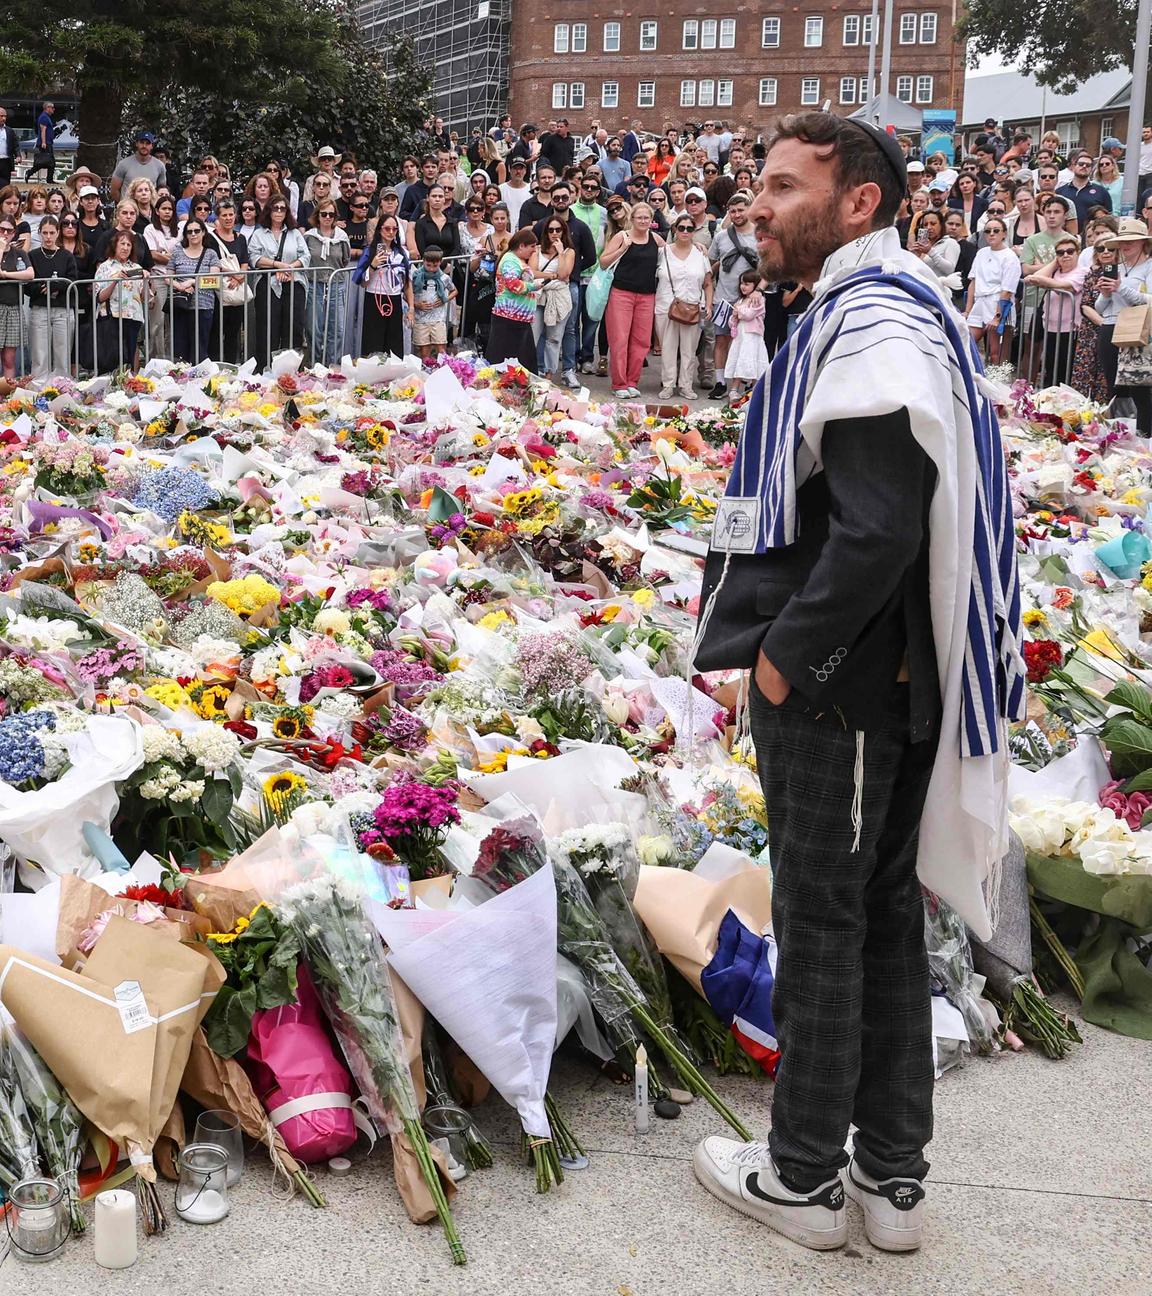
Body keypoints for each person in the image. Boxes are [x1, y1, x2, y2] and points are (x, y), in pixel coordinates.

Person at [693, 110, 1023, 1258]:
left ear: (859, 204)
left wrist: (788, 662)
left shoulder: (873, 322)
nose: (760, 205)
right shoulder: (878, 309)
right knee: (878, 919)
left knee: (826, 925)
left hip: (845, 692)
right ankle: (891, 1184)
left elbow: (878, 528)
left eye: (784, 186)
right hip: (884, 687)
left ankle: (798, 1180)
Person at [600, 200, 662, 398]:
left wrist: (698, 246)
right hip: (621, 294)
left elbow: (675, 251)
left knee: (642, 341)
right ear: (632, 218)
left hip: (647, 295)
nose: (643, 220)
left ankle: (632, 381)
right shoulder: (622, 236)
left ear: (651, 220)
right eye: (639, 217)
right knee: (619, 339)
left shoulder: (656, 239)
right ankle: (619, 384)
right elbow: (603, 262)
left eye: (647, 217)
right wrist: (622, 249)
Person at [1097, 218, 1152, 434]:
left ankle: (1144, 434)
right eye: (1122, 241)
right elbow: (1101, 307)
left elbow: (1148, 299)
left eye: (1131, 240)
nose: (1126, 245)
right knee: (1114, 385)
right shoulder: (1115, 268)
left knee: (1140, 386)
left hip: (1138, 330)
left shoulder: (1149, 266)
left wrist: (1121, 288)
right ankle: (1120, 434)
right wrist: (1105, 293)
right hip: (1111, 326)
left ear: (1142, 243)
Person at [654, 213, 712, 399]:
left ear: (694, 231)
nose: (685, 232)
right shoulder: (663, 252)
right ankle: (668, 384)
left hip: (694, 306)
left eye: (689, 228)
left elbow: (708, 283)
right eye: (681, 228)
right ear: (675, 230)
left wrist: (709, 305)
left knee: (689, 349)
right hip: (666, 306)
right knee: (668, 349)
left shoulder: (701, 253)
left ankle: (686, 385)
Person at [708, 191, 759, 399]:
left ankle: (742, 382)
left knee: (746, 342)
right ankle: (720, 382)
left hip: (748, 301)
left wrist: (759, 291)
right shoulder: (721, 237)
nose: (737, 214)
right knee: (721, 340)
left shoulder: (759, 235)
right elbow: (712, 262)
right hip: (724, 297)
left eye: (740, 210)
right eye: (733, 211)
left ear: (749, 210)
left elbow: (766, 268)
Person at [249, 195, 309, 369]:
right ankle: (266, 369)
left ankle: (292, 370)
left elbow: (305, 256)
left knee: (294, 327)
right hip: (267, 284)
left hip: (293, 283)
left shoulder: (295, 233)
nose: (279, 212)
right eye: (275, 208)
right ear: (269, 210)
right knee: (268, 328)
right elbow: (254, 257)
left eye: (283, 209)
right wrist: (278, 266)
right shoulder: (259, 234)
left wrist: (288, 268)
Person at [1025, 235, 1085, 385]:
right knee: (1050, 369)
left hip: (1070, 329)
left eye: (1070, 251)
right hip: (1051, 328)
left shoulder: (1082, 271)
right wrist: (1054, 263)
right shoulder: (1055, 272)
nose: (1065, 255)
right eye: (1060, 252)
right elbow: (1035, 277)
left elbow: (1065, 286)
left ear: (1078, 253)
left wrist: (1044, 282)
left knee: (1065, 371)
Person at [964, 218, 1020, 364]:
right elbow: (973, 282)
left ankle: (998, 384)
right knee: (966, 345)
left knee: (996, 354)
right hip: (979, 303)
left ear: (1004, 234)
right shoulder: (981, 253)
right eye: (988, 231)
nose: (991, 234)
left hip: (998, 304)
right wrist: (968, 310)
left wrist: (997, 317)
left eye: (996, 231)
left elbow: (1007, 290)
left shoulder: (1010, 257)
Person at [303, 201, 351, 365]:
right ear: (318, 215)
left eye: (331, 214)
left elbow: (345, 259)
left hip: (336, 284)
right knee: (314, 328)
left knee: (336, 329)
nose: (327, 217)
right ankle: (315, 364)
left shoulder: (341, 237)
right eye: (324, 214)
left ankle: (332, 365)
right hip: (314, 284)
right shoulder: (309, 236)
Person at [358, 215, 412, 358]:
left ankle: (392, 376)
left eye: (394, 229)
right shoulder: (370, 251)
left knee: (394, 343)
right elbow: (362, 282)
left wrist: (411, 307)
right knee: (373, 342)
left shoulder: (402, 253)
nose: (390, 232)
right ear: (380, 230)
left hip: (394, 299)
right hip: (374, 298)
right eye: (387, 228)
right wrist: (373, 265)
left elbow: (407, 283)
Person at [94, 230, 148, 371]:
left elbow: (145, 298)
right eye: (122, 243)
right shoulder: (104, 267)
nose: (125, 247)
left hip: (133, 317)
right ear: (115, 245)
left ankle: (132, 383)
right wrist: (115, 280)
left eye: (128, 245)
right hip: (112, 317)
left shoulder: (137, 268)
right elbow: (99, 297)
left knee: (131, 355)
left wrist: (147, 281)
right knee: (112, 357)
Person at [168, 218, 220, 364]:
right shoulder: (177, 252)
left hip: (203, 306)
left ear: (203, 232)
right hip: (180, 306)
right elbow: (167, 276)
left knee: (200, 349)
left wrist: (192, 282)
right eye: (189, 231)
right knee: (180, 349)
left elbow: (214, 279)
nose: (193, 234)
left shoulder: (211, 254)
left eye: (197, 230)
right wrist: (179, 286)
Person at [487, 227, 539, 371]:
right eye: (532, 246)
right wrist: (533, 286)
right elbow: (513, 285)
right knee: (504, 360)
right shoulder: (510, 260)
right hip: (509, 319)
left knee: (523, 360)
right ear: (521, 245)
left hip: (518, 319)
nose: (534, 250)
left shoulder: (516, 259)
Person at [530, 216, 574, 380]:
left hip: (558, 297)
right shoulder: (537, 250)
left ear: (564, 231)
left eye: (558, 230)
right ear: (546, 232)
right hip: (539, 296)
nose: (554, 233)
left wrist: (561, 252)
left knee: (554, 339)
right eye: (551, 230)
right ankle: (531, 371)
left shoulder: (569, 252)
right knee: (533, 337)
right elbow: (532, 272)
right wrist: (552, 275)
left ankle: (549, 374)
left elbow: (564, 274)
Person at [1072, 238, 1113, 402]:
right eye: (1100, 248)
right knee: (1085, 375)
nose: (1106, 252)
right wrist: (1103, 323)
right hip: (1091, 331)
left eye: (1110, 248)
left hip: (1116, 331)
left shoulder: (1123, 273)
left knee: (1106, 377)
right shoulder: (1091, 274)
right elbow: (1085, 304)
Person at [211, 198, 250, 364]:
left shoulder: (240, 238)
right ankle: (214, 366)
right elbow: (213, 263)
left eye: (231, 214)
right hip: (218, 292)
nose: (228, 218)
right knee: (216, 332)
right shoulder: (211, 238)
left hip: (236, 291)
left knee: (234, 332)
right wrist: (234, 274)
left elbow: (245, 261)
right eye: (224, 215)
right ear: (218, 218)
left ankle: (231, 365)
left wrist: (240, 276)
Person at [722, 270, 768, 398]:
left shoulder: (758, 300)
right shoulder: (740, 300)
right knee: (739, 360)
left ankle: (756, 390)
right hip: (740, 337)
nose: (743, 286)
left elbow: (750, 315)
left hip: (752, 336)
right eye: (742, 283)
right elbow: (733, 322)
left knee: (753, 361)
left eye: (747, 284)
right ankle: (734, 389)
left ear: (755, 285)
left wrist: (739, 311)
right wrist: (734, 316)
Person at [144, 195, 180, 354]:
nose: (167, 212)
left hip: (177, 280)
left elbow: (182, 254)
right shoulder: (150, 229)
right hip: (158, 278)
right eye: (164, 209)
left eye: (170, 209)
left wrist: (164, 254)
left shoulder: (179, 230)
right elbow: (152, 254)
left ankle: (172, 361)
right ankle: (156, 359)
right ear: (157, 211)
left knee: (174, 322)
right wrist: (170, 257)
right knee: (157, 322)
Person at [408, 244, 455, 360]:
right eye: (428, 265)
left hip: (438, 318)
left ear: (440, 262)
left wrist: (445, 299)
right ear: (423, 261)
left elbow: (454, 291)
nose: (432, 269)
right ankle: (426, 370)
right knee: (424, 352)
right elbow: (406, 294)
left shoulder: (444, 277)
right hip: (421, 318)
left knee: (441, 349)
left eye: (435, 265)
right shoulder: (416, 276)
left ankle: (443, 369)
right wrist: (416, 304)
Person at [0, 218, 31, 379]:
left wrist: (5, 275)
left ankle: (6, 398)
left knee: (9, 359)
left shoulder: (19, 253)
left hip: (13, 308)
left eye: (9, 230)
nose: (5, 233)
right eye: (1, 229)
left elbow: (30, 274)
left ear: (14, 233)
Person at [1057, 152, 1112, 227]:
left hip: (1091, 234)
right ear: (1074, 166)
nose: (1084, 166)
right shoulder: (1060, 191)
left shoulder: (1101, 191)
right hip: (1066, 235)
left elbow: (1108, 217)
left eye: (1088, 165)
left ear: (1091, 169)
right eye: (1081, 164)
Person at [110, 131, 167, 201]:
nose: (144, 146)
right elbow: (114, 191)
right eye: (142, 142)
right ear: (137, 144)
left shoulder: (159, 166)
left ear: (152, 146)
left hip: (150, 209)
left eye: (147, 143)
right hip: (129, 210)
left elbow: (162, 191)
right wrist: (124, 204)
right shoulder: (123, 164)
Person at [27, 101, 55, 182]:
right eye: (52, 108)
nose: (53, 109)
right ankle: (30, 172)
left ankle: (49, 179)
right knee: (45, 161)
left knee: (49, 162)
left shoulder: (47, 117)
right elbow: (43, 130)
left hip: (48, 142)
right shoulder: (43, 117)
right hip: (45, 143)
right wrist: (43, 142)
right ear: (47, 108)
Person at [0, 108, 18, 190]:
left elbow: (15, 145)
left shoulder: (10, 131)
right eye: (1, 116)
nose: (3, 118)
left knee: (6, 186)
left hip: (6, 162)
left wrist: (18, 155)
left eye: (5, 116)